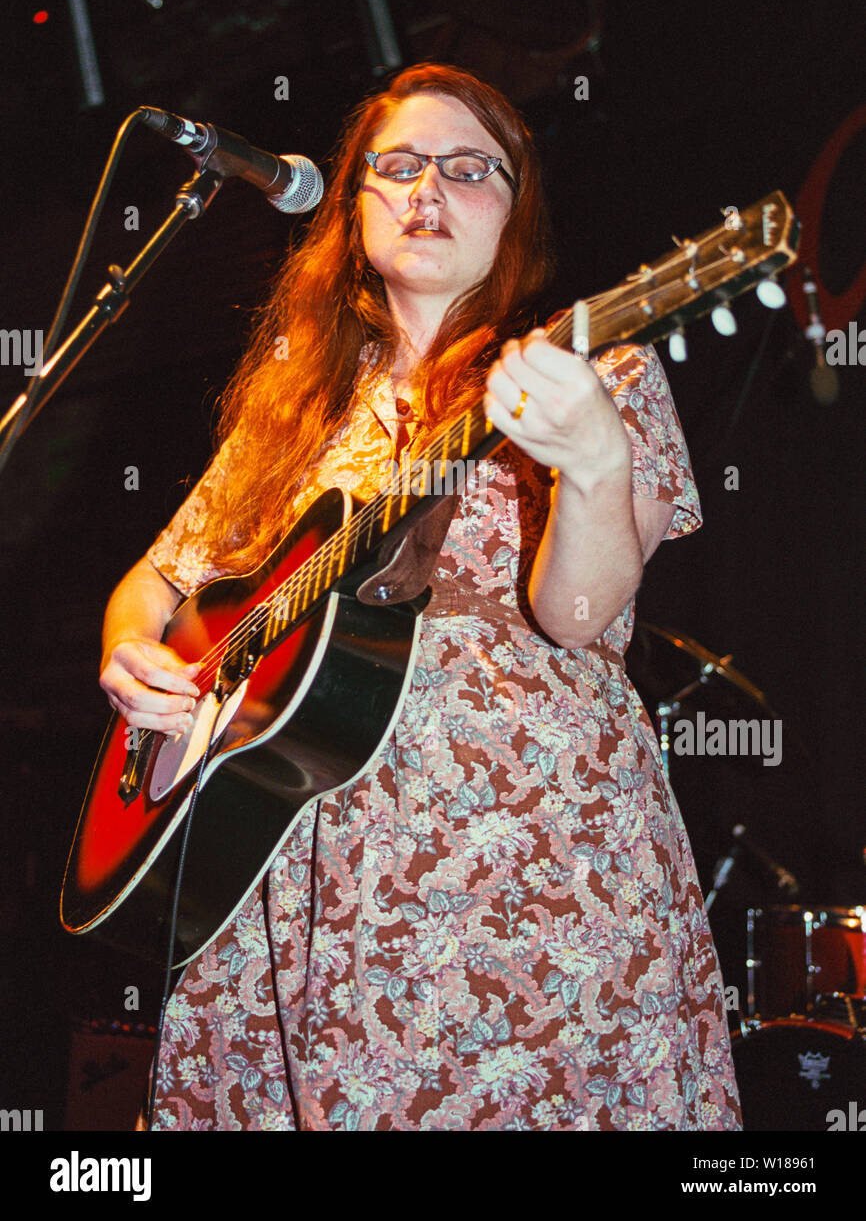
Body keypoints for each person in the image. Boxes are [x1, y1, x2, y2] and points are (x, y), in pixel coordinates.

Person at [99, 62, 741, 1131]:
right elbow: (160, 578)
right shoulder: (290, 416)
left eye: (467, 167)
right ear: (349, 212)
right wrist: (133, 652)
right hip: (287, 872)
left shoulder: (596, 374)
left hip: (524, 864)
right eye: (394, 167)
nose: (425, 189)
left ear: (512, 213)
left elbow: (578, 618)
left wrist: (586, 461)